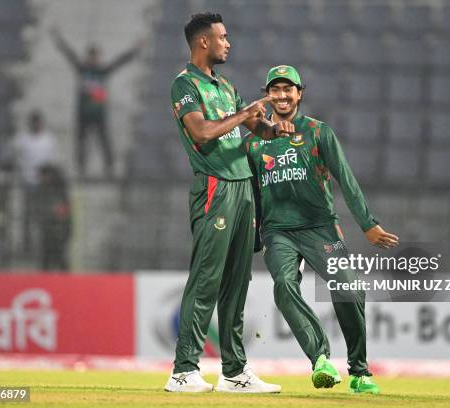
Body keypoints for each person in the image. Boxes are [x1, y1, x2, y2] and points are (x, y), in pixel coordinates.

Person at [244, 65, 399, 394]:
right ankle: (320, 359)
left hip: (322, 229)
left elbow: (346, 178)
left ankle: (359, 372)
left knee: (350, 289)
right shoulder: (254, 144)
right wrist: (253, 238)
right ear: (267, 95)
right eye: (276, 89)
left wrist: (369, 224)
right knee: (284, 285)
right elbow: (253, 193)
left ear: (300, 94)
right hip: (278, 231)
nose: (282, 95)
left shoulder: (318, 132)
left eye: (289, 89)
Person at [164, 13, 294, 393]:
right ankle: (184, 370)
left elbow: (256, 129)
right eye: (223, 37)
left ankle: (234, 372)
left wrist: (276, 127)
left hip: (243, 189)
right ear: (203, 42)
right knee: (207, 279)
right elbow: (202, 133)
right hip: (215, 188)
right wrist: (244, 113)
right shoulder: (184, 85)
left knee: (237, 283)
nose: (228, 42)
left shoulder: (226, 86)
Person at [51, 27, 143, 178]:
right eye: (91, 56)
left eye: (95, 56)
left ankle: (109, 167)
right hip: (83, 113)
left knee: (104, 141)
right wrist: (59, 40)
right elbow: (70, 56)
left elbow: (119, 62)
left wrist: (134, 50)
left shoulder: (102, 71)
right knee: (81, 142)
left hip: (98, 113)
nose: (93, 59)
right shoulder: (82, 70)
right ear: (88, 57)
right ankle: (81, 167)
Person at [9, 110, 59, 253]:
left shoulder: (48, 140)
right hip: (28, 182)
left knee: (44, 215)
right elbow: (13, 154)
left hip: (44, 185)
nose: (36, 125)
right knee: (27, 215)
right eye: (34, 122)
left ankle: (43, 244)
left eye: (38, 122)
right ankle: (27, 243)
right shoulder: (22, 139)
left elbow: (52, 162)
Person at [37, 164, 72, 271]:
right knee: (47, 258)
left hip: (58, 230)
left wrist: (60, 226)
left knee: (59, 257)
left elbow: (63, 211)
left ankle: (65, 279)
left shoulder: (58, 191)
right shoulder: (44, 189)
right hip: (49, 229)